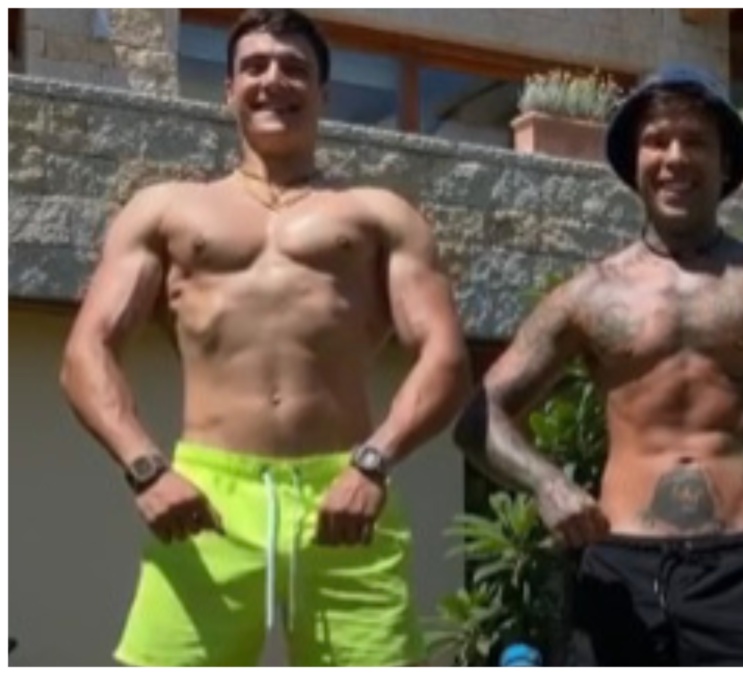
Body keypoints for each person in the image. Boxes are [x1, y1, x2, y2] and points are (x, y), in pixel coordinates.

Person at [453, 65, 743, 666]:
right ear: (635, 162)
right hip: (619, 570)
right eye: (657, 140)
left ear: (725, 163)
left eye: (695, 141)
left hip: (742, 573)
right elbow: (478, 416)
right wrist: (546, 483)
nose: (675, 157)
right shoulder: (590, 295)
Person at [59, 9, 470, 667]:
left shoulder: (380, 215)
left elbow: (445, 357)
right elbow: (87, 351)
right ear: (229, 90)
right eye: (254, 66)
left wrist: (374, 462)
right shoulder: (165, 210)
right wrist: (146, 468)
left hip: (346, 492)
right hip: (205, 496)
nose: (273, 79)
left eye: (294, 68)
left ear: (323, 94)